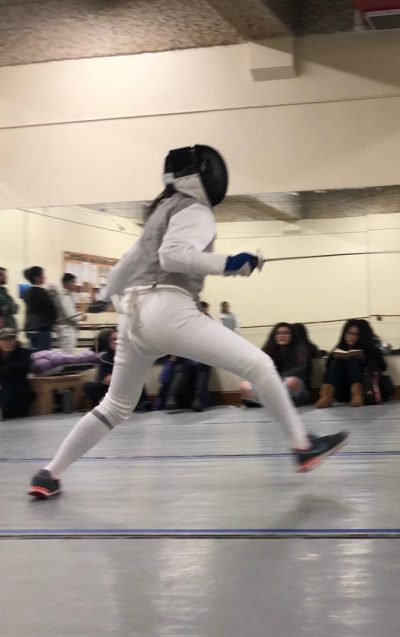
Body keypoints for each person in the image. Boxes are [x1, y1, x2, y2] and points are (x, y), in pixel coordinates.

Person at [27, 144, 347, 500]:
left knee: (115, 406)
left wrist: (105, 296)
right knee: (259, 364)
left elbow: (125, 266)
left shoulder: (159, 213)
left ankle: (49, 473)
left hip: (132, 318)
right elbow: (174, 256)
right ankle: (302, 447)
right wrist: (232, 263)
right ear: (199, 173)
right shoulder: (195, 209)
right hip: (167, 308)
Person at [315, 319, 386, 408]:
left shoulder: (370, 349)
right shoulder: (339, 348)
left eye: (356, 334)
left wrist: (364, 361)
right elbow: (328, 370)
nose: (351, 337)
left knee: (352, 360)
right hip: (343, 390)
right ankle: (326, 396)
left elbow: (382, 366)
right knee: (338, 361)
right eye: (349, 333)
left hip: (365, 390)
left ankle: (357, 395)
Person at [241, 322, 314, 406]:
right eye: (278, 333)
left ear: (292, 335)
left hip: (293, 384)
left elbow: (300, 370)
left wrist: (277, 377)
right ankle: (272, 402)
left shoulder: (301, 350)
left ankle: (268, 402)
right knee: (245, 385)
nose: (282, 336)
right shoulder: (268, 350)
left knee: (291, 381)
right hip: (272, 383)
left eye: (286, 333)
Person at [83, 329, 150, 411]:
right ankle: (107, 404)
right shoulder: (105, 357)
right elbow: (100, 379)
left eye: (119, 339)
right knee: (89, 386)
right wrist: (105, 381)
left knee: (136, 384)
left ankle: (111, 404)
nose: (115, 341)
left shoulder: (131, 356)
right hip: (109, 390)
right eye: (113, 339)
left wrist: (115, 378)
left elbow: (135, 377)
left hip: (126, 390)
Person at [0, 327, 35, 419]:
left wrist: (4, 370)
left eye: (11, 339)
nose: (8, 342)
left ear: (15, 340)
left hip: (19, 393)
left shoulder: (24, 353)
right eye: (5, 339)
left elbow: (24, 367)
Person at [22, 266, 56, 351]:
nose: (44, 277)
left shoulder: (27, 292)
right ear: (36, 278)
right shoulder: (41, 292)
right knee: (43, 356)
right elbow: (51, 310)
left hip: (31, 327)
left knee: (34, 353)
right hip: (42, 328)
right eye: (42, 275)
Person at [55, 272, 81, 353]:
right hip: (67, 329)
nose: (75, 284)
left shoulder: (69, 295)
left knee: (68, 353)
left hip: (68, 328)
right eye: (73, 282)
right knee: (67, 354)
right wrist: (81, 317)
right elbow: (71, 316)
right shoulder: (64, 296)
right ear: (67, 283)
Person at [0, 267, 20, 332]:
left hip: (9, 327)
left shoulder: (4, 291)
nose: (7, 277)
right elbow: (11, 307)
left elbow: (15, 309)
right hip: (4, 329)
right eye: (4, 275)